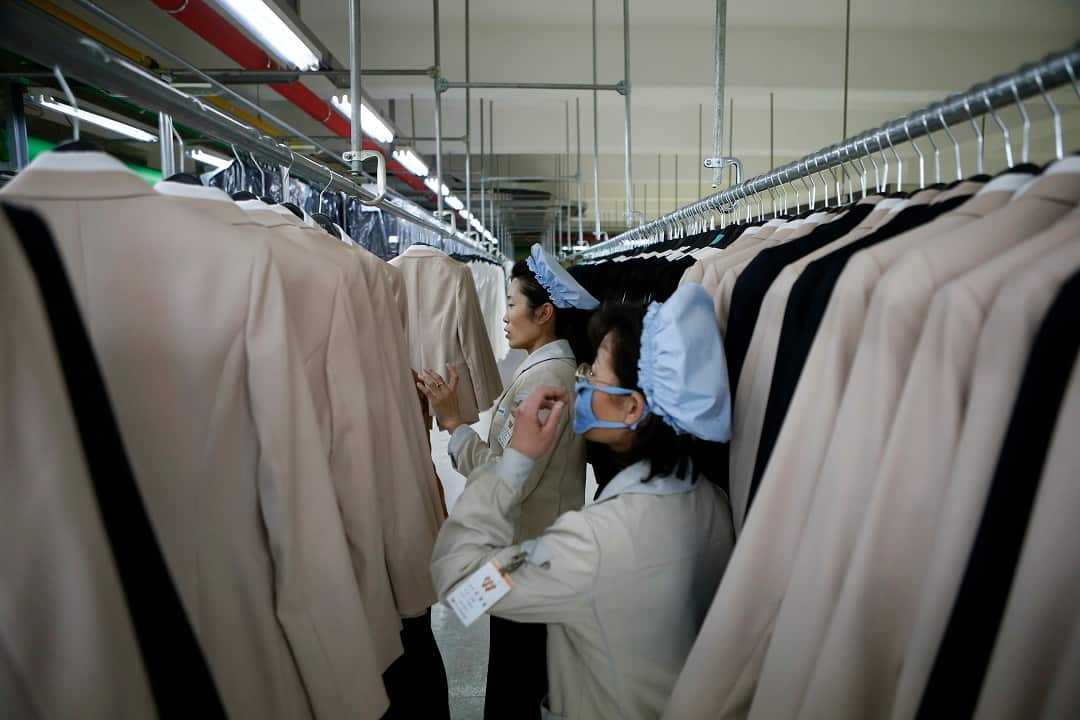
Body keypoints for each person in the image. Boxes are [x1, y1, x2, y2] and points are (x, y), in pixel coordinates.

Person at [430, 283, 737, 720]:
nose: (582, 382)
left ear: (632, 408)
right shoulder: (711, 502)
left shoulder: (591, 543)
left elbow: (465, 590)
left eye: (595, 377)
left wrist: (516, 463)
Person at [417, 243, 599, 720]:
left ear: (544, 313)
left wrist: (455, 423)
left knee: (516, 687)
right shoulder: (542, 371)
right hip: (529, 552)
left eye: (513, 305)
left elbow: (507, 478)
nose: (505, 316)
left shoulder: (548, 381)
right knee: (519, 679)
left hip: (533, 557)